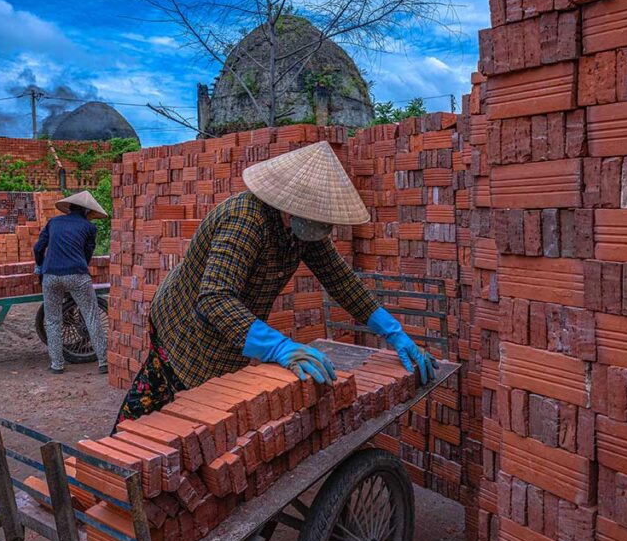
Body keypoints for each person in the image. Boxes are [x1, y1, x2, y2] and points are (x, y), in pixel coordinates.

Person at [115, 141, 437, 424]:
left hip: (227, 334)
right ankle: (108, 468)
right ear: (291, 203)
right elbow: (214, 298)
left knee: (207, 413)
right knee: (165, 416)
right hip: (184, 326)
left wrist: (394, 332)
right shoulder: (246, 218)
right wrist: (280, 346)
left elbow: (341, 281)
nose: (323, 228)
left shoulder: (301, 230)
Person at [33, 191, 109, 375]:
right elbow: (87, 253)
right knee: (91, 316)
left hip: (50, 276)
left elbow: (38, 247)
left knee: (52, 320)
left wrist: (40, 265)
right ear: (86, 211)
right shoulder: (89, 227)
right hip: (77, 275)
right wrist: (81, 264)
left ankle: (57, 364)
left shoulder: (53, 222)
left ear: (70, 208)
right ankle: (103, 362)